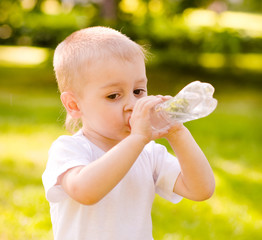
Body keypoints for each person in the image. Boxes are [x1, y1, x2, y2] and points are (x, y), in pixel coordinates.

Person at [42, 26, 215, 240]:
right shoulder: (69, 149)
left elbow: (201, 189)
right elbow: (85, 191)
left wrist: (177, 132)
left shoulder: (149, 153)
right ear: (74, 105)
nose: (132, 105)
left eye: (138, 91)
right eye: (114, 96)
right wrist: (136, 140)